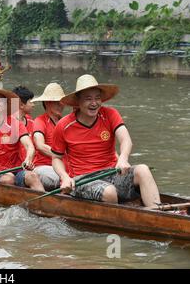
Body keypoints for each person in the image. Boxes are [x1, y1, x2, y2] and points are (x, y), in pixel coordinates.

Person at [51, 74, 161, 207]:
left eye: (97, 98)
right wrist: (65, 177)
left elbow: (126, 139)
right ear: (78, 102)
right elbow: (56, 158)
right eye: (88, 99)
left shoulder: (110, 114)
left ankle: (157, 213)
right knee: (109, 192)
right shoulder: (64, 125)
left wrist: (123, 159)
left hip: (112, 172)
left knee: (143, 169)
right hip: (84, 179)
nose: (94, 103)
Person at [31, 83, 66, 190]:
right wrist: (60, 155)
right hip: (44, 167)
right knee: (64, 178)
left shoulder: (65, 122)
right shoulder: (39, 121)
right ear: (47, 103)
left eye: (62, 102)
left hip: (64, 166)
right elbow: (40, 145)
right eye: (57, 102)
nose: (61, 105)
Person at [11, 86, 47, 191]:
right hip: (14, 171)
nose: (33, 105)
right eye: (30, 102)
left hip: (32, 167)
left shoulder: (31, 121)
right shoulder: (8, 124)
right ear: (21, 105)